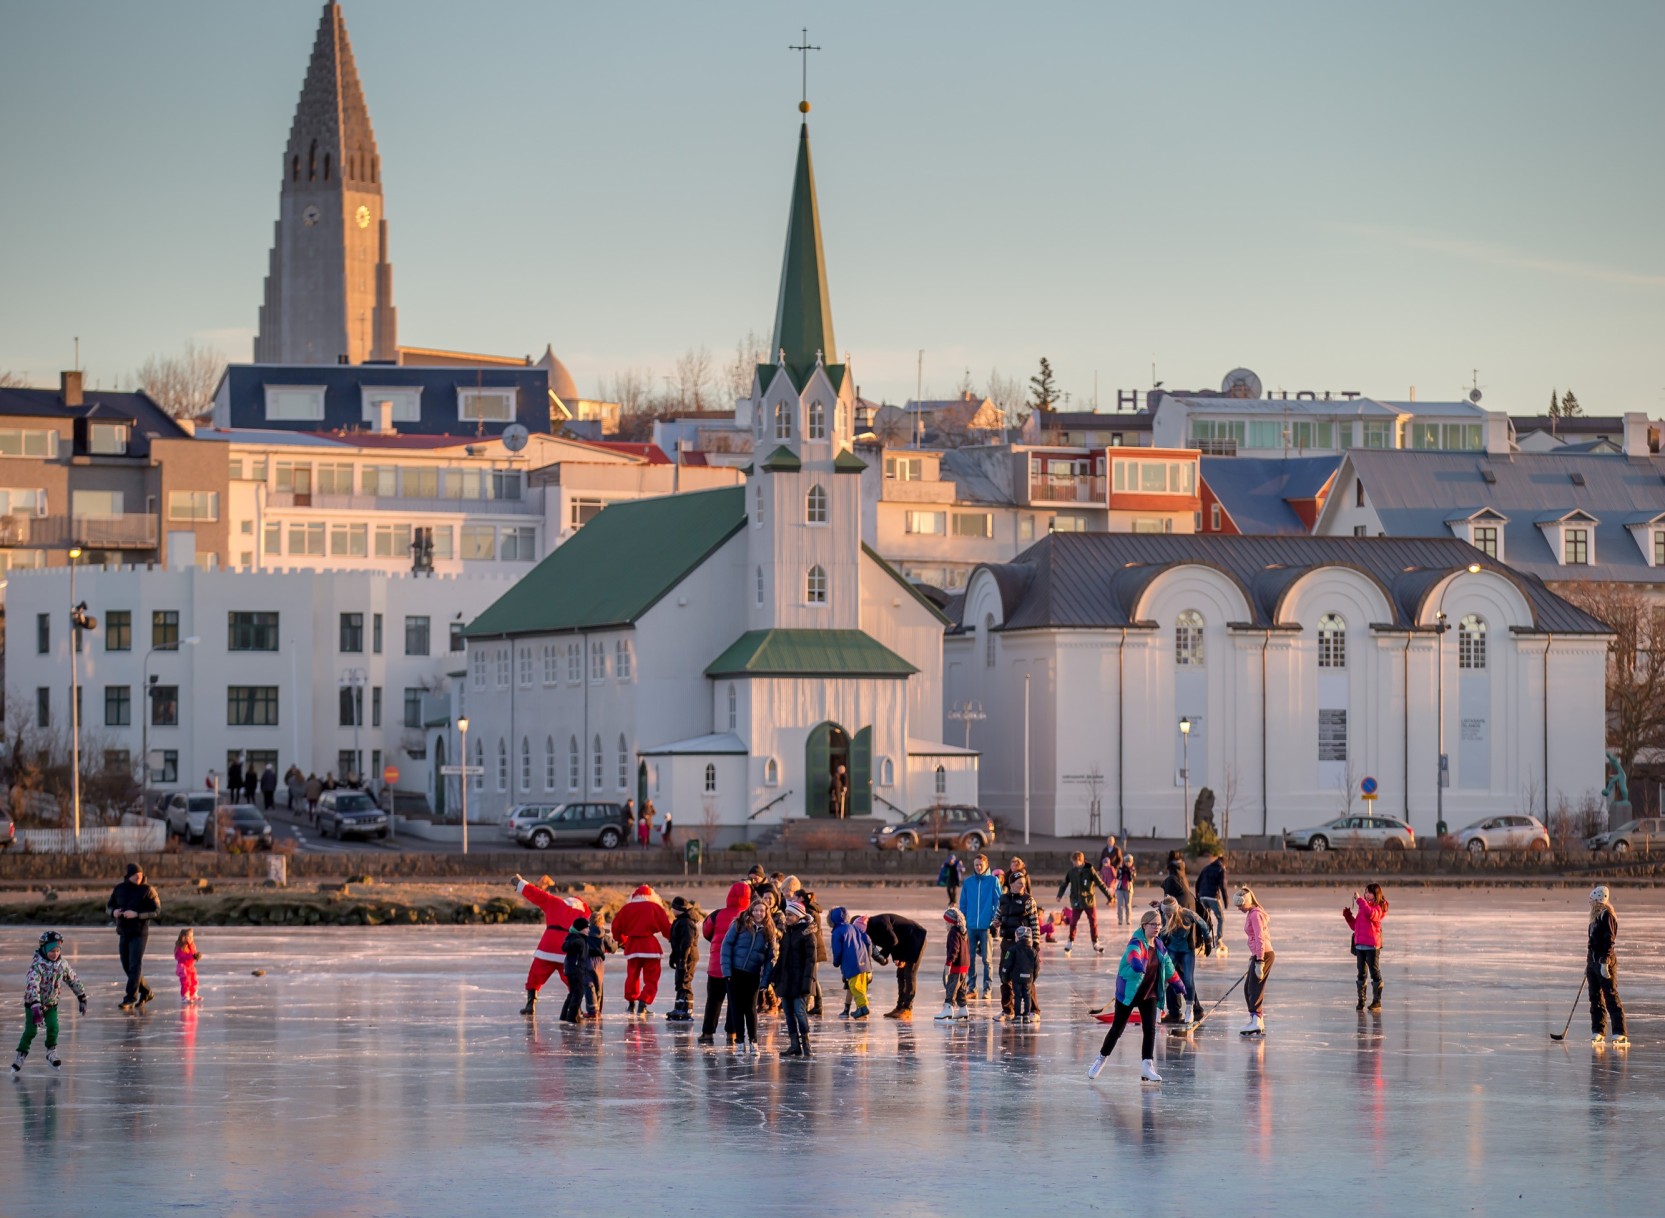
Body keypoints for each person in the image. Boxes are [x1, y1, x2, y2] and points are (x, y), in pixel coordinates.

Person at [1086, 909, 1177, 1085]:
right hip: (1129, 992)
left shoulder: (1159, 945)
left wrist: (1177, 982)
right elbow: (1133, 954)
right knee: (1117, 1029)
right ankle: (1101, 1059)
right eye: (1153, 924)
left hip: (1148, 993)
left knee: (1150, 1029)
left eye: (1159, 924)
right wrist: (1136, 963)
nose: (1157, 927)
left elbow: (1168, 965)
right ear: (1144, 925)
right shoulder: (1136, 941)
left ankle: (1147, 1066)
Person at [511, 874, 590, 1016]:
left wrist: (520, 883)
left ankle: (530, 1005)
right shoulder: (584, 915)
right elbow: (591, 934)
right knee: (572, 980)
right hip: (567, 949)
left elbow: (537, 894)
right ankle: (576, 1008)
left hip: (547, 947)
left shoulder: (555, 902)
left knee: (535, 976)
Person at [12, 932, 86, 1073]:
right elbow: (32, 985)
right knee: (31, 1031)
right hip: (33, 1005)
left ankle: (51, 1052)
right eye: (52, 951)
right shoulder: (37, 966)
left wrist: (81, 996)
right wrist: (35, 1006)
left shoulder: (62, 965)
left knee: (53, 1027)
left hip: (51, 1004)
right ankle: (21, 1055)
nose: (55, 954)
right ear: (44, 949)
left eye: (58, 951)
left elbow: (73, 979)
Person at [699, 881, 753, 1044]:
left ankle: (708, 1032)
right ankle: (733, 1032)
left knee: (714, 1000)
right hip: (738, 967)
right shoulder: (748, 917)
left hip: (716, 965)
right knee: (735, 1001)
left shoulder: (716, 915)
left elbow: (706, 931)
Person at [721, 900, 777, 1055]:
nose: (759, 913)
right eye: (756, 910)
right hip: (735, 972)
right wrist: (727, 972)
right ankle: (739, 1041)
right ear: (751, 910)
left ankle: (753, 1041)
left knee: (750, 1009)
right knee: (736, 1008)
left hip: (753, 975)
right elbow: (726, 946)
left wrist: (765, 980)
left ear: (766, 913)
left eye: (762, 911)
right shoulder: (739, 925)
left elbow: (771, 958)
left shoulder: (769, 931)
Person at [612, 884, 672, 1017]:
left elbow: (616, 927)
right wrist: (673, 939)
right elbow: (666, 927)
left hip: (632, 946)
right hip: (650, 947)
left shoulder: (626, 909)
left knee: (632, 976)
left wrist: (622, 940)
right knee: (652, 977)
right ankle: (643, 1003)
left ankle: (631, 1004)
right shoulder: (655, 907)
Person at [106, 862, 160, 1010]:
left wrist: (137, 914)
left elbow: (156, 911)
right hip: (124, 931)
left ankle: (130, 998)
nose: (139, 877)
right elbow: (109, 906)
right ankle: (147, 991)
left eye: (141, 875)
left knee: (135, 965)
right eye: (136, 875)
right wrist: (113, 912)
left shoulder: (148, 890)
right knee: (127, 966)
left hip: (139, 933)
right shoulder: (119, 889)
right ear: (129, 876)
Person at [865, 912, 928, 1020]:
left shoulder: (879, 922)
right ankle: (900, 1007)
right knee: (900, 974)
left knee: (909, 974)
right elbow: (893, 939)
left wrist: (887, 956)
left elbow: (893, 940)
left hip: (916, 938)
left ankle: (907, 1009)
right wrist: (895, 957)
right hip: (905, 942)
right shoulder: (870, 930)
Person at [996, 870, 1040, 1021]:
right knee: (1004, 975)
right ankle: (1008, 1010)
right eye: (1019, 883)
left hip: (1023, 945)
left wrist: (1036, 943)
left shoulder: (1029, 901)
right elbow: (998, 915)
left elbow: (1035, 923)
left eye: (1023, 883)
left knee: (1027, 976)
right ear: (1011, 884)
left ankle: (1034, 1010)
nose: (1022, 885)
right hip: (1007, 942)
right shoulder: (1003, 899)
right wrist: (994, 924)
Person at [1157, 895, 1208, 1025]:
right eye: (1165, 913)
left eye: (1169, 913)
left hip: (1186, 951)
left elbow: (1203, 924)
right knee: (1164, 978)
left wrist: (1207, 941)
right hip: (1171, 950)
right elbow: (1159, 933)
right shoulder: (1163, 915)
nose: (1166, 916)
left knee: (1187, 979)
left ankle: (1190, 1009)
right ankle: (1159, 1009)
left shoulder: (1187, 914)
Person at [1588, 885, 1627, 1048]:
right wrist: (1589, 963)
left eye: (1591, 900)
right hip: (1593, 962)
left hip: (1606, 962)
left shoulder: (1607, 915)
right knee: (1595, 997)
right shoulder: (1595, 917)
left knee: (1610, 996)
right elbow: (1592, 943)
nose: (1589, 903)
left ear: (1598, 900)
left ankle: (1620, 1033)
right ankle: (1598, 1031)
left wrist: (1605, 962)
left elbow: (1609, 940)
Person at [957, 853, 1000, 1000]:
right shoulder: (968, 882)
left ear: (986, 865)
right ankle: (972, 988)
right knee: (970, 958)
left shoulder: (993, 881)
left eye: (981, 864)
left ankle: (987, 989)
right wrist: (963, 920)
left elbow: (998, 902)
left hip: (986, 926)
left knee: (987, 959)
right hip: (970, 926)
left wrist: (993, 918)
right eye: (976, 865)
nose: (978, 867)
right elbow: (963, 903)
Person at [777, 902, 817, 1058]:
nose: (787, 918)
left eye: (790, 915)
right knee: (788, 1014)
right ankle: (794, 1045)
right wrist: (775, 978)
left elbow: (811, 961)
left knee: (800, 1013)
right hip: (786, 981)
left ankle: (806, 1044)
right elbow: (781, 959)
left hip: (800, 982)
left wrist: (807, 984)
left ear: (798, 916)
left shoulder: (807, 934)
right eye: (786, 914)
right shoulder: (788, 933)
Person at [1057, 851, 1113, 955]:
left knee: (1093, 922)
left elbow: (1100, 884)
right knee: (1073, 922)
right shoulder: (1072, 872)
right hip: (1076, 901)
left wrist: (1109, 896)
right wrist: (1059, 895)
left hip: (1089, 901)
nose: (1073, 864)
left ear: (1080, 861)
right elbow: (1064, 883)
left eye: (1074, 862)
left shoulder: (1090, 870)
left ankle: (1095, 942)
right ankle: (1070, 941)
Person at [1343, 883, 1388, 1011]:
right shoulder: (1363, 907)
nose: (1366, 894)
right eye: (1366, 892)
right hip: (1360, 945)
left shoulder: (1378, 907)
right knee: (1361, 973)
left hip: (1372, 945)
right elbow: (1355, 926)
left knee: (1374, 972)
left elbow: (1371, 914)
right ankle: (1361, 1000)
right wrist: (1348, 916)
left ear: (1376, 894)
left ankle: (1376, 1001)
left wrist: (1360, 901)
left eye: (1369, 892)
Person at [1237, 886, 1273, 1037]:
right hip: (1259, 955)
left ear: (1247, 902)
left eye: (1240, 905)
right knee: (1248, 988)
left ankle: (1256, 1021)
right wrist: (1254, 957)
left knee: (1254, 989)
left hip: (1264, 955)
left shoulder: (1255, 915)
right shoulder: (1251, 913)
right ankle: (1256, 1019)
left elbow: (1259, 938)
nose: (1238, 909)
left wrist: (1259, 961)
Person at [829, 907, 873, 1019]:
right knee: (861, 987)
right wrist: (867, 958)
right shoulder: (854, 927)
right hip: (863, 961)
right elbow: (867, 941)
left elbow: (837, 950)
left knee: (855, 987)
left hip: (852, 963)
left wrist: (836, 962)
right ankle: (862, 1008)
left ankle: (863, 1008)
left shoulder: (837, 932)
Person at [665, 897, 703, 1022]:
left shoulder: (686, 922)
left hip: (688, 956)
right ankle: (679, 1007)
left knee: (685, 981)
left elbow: (687, 942)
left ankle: (687, 1009)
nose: (671, 910)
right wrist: (673, 956)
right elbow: (676, 942)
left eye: (673, 908)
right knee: (680, 982)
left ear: (678, 909)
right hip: (682, 956)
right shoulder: (680, 921)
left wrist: (683, 959)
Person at [936, 906, 970, 1021]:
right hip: (964, 965)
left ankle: (948, 1008)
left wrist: (948, 963)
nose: (945, 924)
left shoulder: (953, 932)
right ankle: (963, 1008)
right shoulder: (963, 931)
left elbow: (954, 950)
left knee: (951, 987)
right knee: (961, 989)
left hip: (956, 966)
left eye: (946, 922)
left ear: (951, 922)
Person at [558, 918, 594, 1024]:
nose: (588, 930)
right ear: (580, 929)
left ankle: (565, 1016)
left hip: (576, 969)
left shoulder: (581, 938)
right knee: (578, 993)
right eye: (586, 928)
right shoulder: (576, 938)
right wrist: (575, 943)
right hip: (575, 969)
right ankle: (572, 1017)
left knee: (573, 993)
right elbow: (565, 947)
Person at [1004, 926, 1041, 1023]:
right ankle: (1026, 1016)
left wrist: (1005, 976)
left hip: (1016, 978)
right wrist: (1033, 978)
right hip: (1028, 978)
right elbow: (1037, 967)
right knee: (1027, 996)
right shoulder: (1033, 951)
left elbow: (1007, 964)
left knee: (1018, 996)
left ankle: (1017, 1016)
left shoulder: (1012, 950)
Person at [1196, 847, 1229, 956]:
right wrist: (1226, 901)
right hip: (1213, 897)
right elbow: (1223, 886)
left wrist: (1198, 896)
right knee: (1221, 918)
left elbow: (1198, 882)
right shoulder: (1221, 868)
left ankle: (1202, 938)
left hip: (1202, 896)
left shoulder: (1206, 868)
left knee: (1205, 918)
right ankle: (1218, 939)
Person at [584, 914, 617, 1017]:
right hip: (599, 962)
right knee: (599, 986)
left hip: (586, 960)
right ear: (602, 922)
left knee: (589, 984)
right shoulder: (604, 935)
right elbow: (613, 948)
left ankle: (592, 1009)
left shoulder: (585, 933)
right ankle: (598, 1009)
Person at [174, 928, 202, 1005]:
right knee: (186, 981)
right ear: (183, 937)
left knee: (194, 980)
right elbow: (182, 957)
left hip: (191, 967)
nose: (191, 939)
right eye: (189, 937)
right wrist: (192, 956)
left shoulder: (192, 946)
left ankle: (193, 994)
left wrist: (197, 956)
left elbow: (193, 953)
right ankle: (185, 996)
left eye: (192, 937)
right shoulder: (180, 947)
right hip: (183, 967)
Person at [1114, 854, 1137, 926]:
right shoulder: (1120, 868)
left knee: (1128, 905)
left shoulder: (1132, 869)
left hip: (1129, 888)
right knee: (1120, 905)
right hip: (1120, 888)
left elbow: (1132, 878)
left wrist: (1130, 872)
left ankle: (1128, 920)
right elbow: (1118, 877)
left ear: (1131, 862)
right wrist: (1123, 872)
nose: (1127, 863)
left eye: (1129, 862)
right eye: (1126, 861)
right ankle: (1120, 920)